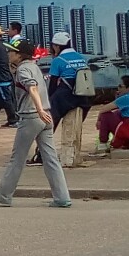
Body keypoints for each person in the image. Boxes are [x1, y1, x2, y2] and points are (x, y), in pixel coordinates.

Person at [0, 40, 71, 208]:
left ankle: (3, 195)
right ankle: (62, 197)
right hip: (46, 116)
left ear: (20, 55)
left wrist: (38, 110)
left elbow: (32, 87)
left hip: (32, 116)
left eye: (12, 51)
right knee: (51, 159)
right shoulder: (33, 67)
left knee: (17, 158)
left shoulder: (23, 69)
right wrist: (42, 111)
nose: (8, 54)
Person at [44, 31, 93, 167]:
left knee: (48, 123)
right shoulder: (81, 57)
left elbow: (53, 84)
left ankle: (41, 154)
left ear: (57, 46)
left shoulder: (58, 60)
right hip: (84, 96)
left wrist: (49, 101)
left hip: (65, 95)